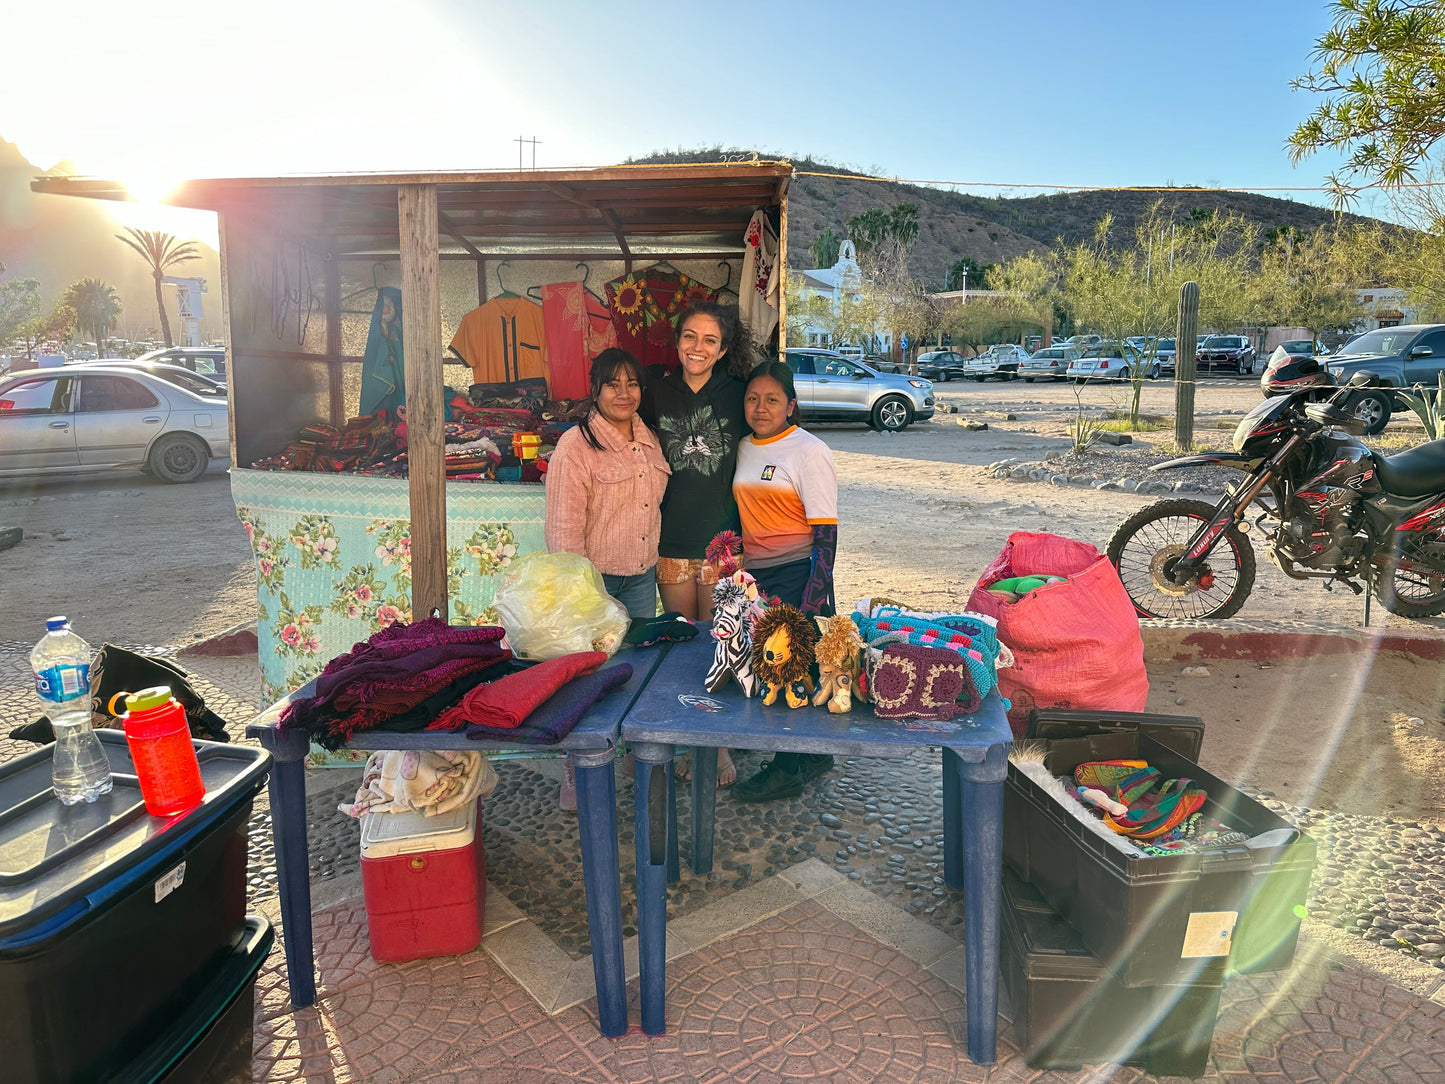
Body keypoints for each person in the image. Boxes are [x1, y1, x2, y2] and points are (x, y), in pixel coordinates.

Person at [544, 348, 670, 810]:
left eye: (632, 383)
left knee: (632, 672)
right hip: (594, 582)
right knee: (587, 676)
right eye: (613, 384)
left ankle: (636, 757)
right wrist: (582, 594)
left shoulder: (650, 440)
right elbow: (562, 529)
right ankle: (579, 770)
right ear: (594, 390)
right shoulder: (576, 447)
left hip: (640, 576)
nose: (623, 393)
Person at [640, 301, 753, 787]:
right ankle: (689, 737)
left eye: (710, 340)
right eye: (690, 336)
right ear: (677, 340)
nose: (698, 348)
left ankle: (720, 747)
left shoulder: (740, 396)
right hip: (669, 542)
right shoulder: (654, 394)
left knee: (721, 643)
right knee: (686, 646)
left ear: (724, 348)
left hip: (723, 544)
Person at [730, 360, 840, 803]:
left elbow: (827, 533)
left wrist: (813, 599)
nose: (761, 407)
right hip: (758, 575)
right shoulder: (744, 447)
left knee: (788, 669)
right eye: (753, 399)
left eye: (772, 399)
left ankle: (787, 768)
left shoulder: (809, 451)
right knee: (776, 670)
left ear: (791, 405)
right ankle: (812, 756)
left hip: (799, 573)